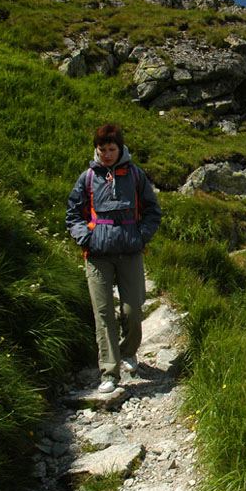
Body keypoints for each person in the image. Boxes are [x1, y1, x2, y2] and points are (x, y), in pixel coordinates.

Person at [66, 124, 161, 393]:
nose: (106, 154)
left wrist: (141, 236)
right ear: (96, 149)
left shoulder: (135, 175)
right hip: (98, 255)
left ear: (120, 149)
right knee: (103, 313)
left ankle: (128, 353)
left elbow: (153, 211)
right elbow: (73, 214)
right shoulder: (87, 177)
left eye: (111, 149)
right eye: (102, 149)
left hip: (130, 252)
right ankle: (109, 371)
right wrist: (86, 238)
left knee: (132, 310)